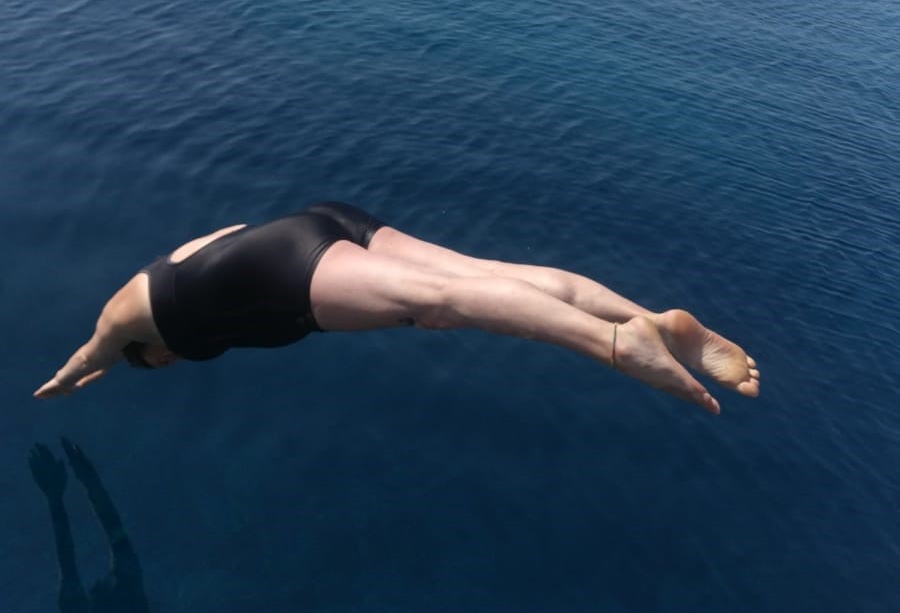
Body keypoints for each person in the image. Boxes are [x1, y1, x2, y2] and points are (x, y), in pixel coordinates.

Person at [34, 201, 759, 415]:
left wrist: (70, 380)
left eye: (155, 365)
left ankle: (615, 347)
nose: (166, 363)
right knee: (489, 273)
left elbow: (88, 353)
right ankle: (652, 321)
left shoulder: (127, 323)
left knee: (445, 303)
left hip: (283, 270)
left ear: (151, 357)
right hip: (320, 222)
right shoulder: (163, 274)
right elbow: (227, 237)